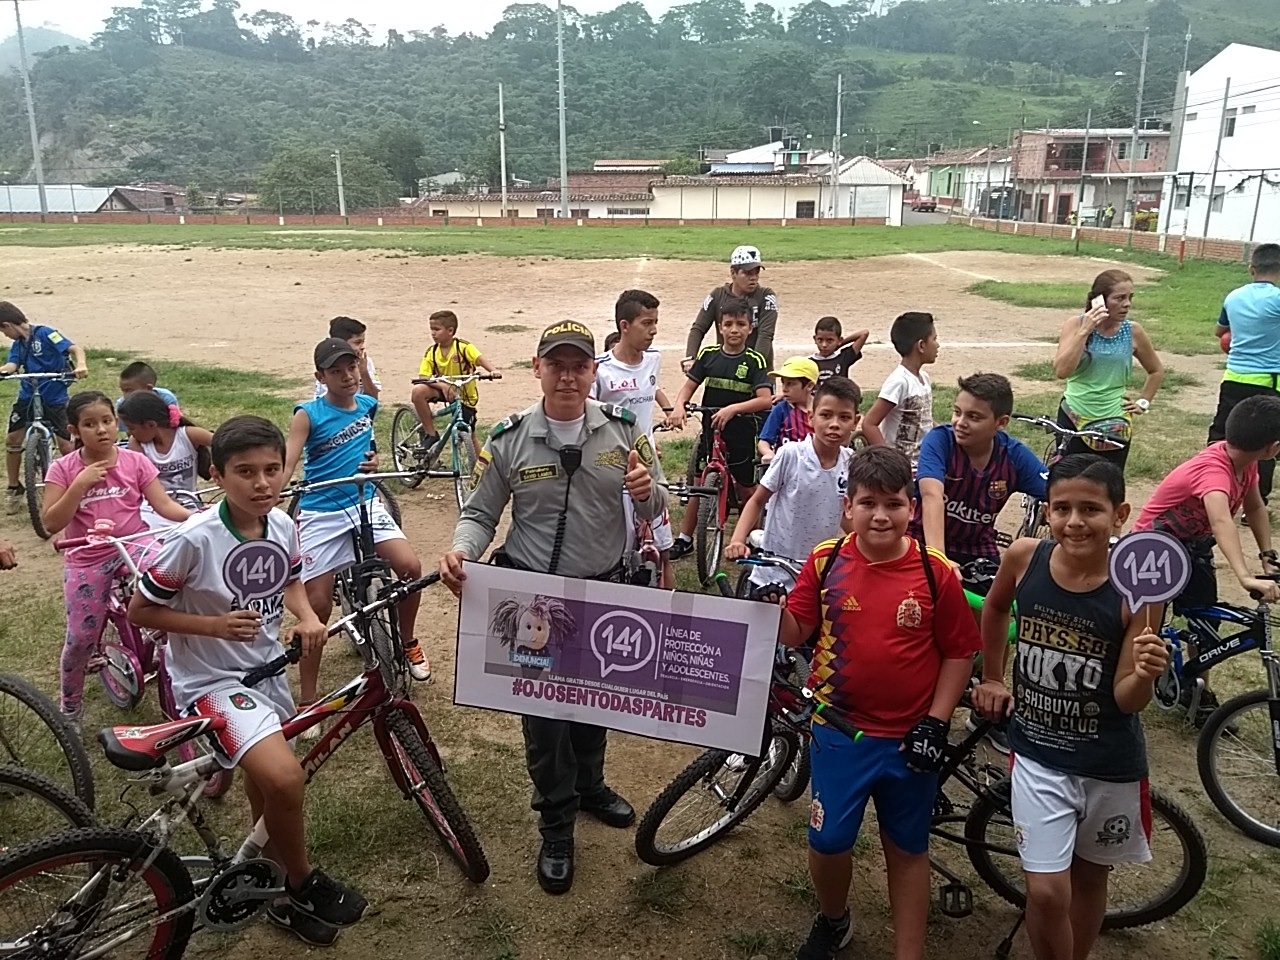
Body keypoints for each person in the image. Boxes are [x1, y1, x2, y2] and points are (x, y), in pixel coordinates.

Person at [439, 320, 665, 896]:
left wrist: (647, 494)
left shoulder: (624, 431)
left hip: (602, 593)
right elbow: (481, 513)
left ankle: (590, 787)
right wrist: (462, 550)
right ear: (537, 368)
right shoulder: (509, 438)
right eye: (556, 365)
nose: (568, 376)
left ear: (594, 371)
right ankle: (557, 826)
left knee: (593, 704)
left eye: (579, 366)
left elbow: (659, 503)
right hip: (533, 600)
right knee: (545, 725)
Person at [130, 415, 368, 946]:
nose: (262, 483)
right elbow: (140, 609)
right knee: (286, 780)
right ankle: (303, 882)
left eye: (272, 469)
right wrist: (212, 626)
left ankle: (275, 895)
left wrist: (305, 616)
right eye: (245, 472)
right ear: (216, 475)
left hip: (265, 672)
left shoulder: (281, 523)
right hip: (210, 682)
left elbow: (290, 580)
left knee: (266, 785)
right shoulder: (193, 539)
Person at [777, 445, 979, 960]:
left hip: (912, 739)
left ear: (912, 508)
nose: (881, 515)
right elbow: (797, 630)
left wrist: (937, 723)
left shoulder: (934, 571)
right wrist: (773, 613)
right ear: (848, 507)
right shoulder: (826, 560)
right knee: (828, 842)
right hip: (839, 730)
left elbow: (960, 652)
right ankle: (834, 920)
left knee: (908, 848)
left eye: (894, 504)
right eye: (868, 503)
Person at [974, 455, 1169, 960]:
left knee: (1089, 878)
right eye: (1062, 508)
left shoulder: (1138, 590)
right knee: (1045, 892)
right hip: (1038, 755)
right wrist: (993, 675)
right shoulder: (1024, 558)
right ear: (1047, 512)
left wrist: (1145, 674)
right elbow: (995, 607)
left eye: (1091, 509)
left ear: (1119, 514)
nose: (1075, 521)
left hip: (1108, 763)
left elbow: (1127, 699)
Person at [285, 338, 429, 710]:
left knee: (411, 568)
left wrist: (373, 461)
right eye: (336, 371)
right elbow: (288, 462)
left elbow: (366, 445)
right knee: (317, 606)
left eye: (351, 368)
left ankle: (408, 641)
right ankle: (307, 700)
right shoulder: (307, 414)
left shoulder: (367, 405)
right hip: (321, 511)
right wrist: (274, 490)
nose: (347, 376)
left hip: (365, 502)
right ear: (321, 376)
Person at [41, 391, 191, 729]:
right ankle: (70, 707)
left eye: (107, 421)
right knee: (81, 637)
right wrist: (78, 486)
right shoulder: (63, 469)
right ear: (74, 430)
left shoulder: (134, 461)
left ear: (117, 423)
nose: (101, 430)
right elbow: (51, 522)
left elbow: (164, 505)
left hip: (134, 543)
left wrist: (196, 518)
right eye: (90, 424)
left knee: (174, 581)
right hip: (87, 555)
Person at [1132, 394, 1280, 724]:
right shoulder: (1214, 472)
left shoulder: (1244, 463)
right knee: (1144, 630)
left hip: (1193, 546)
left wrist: (1268, 557)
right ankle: (1131, 688)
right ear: (1273, 448)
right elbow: (1221, 520)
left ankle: (1197, 693)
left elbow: (1255, 506)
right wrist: (1244, 576)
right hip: (1152, 549)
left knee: (1205, 624)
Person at [726, 375, 861, 598]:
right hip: (774, 571)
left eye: (844, 417)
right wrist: (737, 540)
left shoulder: (851, 463)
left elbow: (844, 513)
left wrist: (868, 547)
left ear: (855, 422)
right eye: (826, 415)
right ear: (811, 417)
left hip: (818, 574)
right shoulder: (791, 455)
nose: (834, 424)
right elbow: (757, 501)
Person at [666, 300, 773, 561]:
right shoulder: (708, 355)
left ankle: (752, 537)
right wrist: (679, 406)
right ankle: (685, 539)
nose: (734, 329)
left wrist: (733, 409)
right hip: (711, 429)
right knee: (699, 485)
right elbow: (689, 387)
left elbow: (765, 400)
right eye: (728, 324)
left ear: (750, 328)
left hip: (741, 432)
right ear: (720, 327)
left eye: (741, 324)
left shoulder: (754, 360)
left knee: (747, 489)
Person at [913, 373, 1048, 575]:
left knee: (997, 592)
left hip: (977, 547)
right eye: (957, 412)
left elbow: (1058, 491)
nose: (960, 422)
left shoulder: (1014, 456)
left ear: (1001, 423)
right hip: (924, 538)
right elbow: (931, 495)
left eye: (973, 417)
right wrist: (939, 560)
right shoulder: (941, 441)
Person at [591, 289, 676, 588]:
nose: (653, 330)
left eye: (656, 322)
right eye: (646, 323)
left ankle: (667, 606)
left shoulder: (654, 359)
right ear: (624, 326)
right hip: (614, 470)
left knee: (662, 550)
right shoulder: (600, 369)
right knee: (620, 551)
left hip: (649, 470)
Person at [1052, 269, 1164, 472]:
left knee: (1109, 481)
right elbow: (1062, 371)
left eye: (1130, 298)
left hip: (1115, 422)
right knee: (1068, 478)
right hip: (1074, 415)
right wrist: (1085, 331)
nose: (1127, 304)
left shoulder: (1133, 331)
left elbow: (1156, 370)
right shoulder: (1075, 325)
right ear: (1099, 300)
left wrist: (1143, 402)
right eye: (1119, 298)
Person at [1209, 242, 1280, 503]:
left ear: (1251, 269)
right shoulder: (1278, 299)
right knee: (1265, 442)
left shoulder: (1233, 297)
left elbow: (1220, 331)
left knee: (1223, 435)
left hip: (1233, 378)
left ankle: (1212, 486)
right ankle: (1256, 502)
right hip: (1268, 382)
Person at [0, 301, 88, 513]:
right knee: (13, 440)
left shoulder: (47, 334)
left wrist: (81, 364)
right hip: (28, 395)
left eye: (3, 331)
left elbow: (74, 348)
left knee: (66, 445)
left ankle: (74, 486)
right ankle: (14, 487)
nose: (5, 336)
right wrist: (4, 370)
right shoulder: (18, 345)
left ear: (7, 325)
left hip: (54, 396)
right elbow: (13, 365)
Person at [118, 390, 214, 531]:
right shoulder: (137, 444)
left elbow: (226, 443)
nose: (129, 433)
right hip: (154, 510)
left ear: (151, 425)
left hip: (189, 505)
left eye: (132, 428)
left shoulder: (188, 435)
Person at [410, 309, 499, 458]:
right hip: (442, 390)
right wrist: (442, 385)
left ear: (450, 331)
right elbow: (424, 376)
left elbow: (479, 359)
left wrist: (493, 371)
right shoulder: (431, 352)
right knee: (418, 391)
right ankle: (430, 434)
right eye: (431, 329)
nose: (433, 333)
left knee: (469, 433)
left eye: (437, 329)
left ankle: (482, 466)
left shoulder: (463, 347)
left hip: (464, 395)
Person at [682, 244, 779, 370]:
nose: (754, 277)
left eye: (756, 272)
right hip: (724, 367)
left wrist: (752, 366)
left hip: (756, 369)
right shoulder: (717, 296)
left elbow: (765, 335)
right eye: (747, 273)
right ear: (733, 273)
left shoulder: (766, 297)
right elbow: (698, 328)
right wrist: (690, 357)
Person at [860, 311, 939, 465]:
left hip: (924, 462)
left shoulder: (924, 378)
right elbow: (869, 424)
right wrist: (890, 461)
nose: (938, 345)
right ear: (921, 345)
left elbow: (923, 420)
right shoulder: (899, 382)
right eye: (934, 339)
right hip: (904, 467)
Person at [758, 357, 817, 465]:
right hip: (786, 468)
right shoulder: (781, 409)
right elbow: (764, 441)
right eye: (783, 383)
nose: (784, 389)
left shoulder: (822, 411)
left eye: (791, 383)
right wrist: (768, 453)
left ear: (809, 386)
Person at [314, 316, 381, 401]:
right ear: (340, 342)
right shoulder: (328, 364)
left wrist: (364, 373)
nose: (362, 347)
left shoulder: (365, 362)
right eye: (357, 342)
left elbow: (374, 398)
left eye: (352, 368)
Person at [810, 316, 869, 383]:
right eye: (820, 340)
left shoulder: (844, 358)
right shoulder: (809, 362)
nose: (824, 345)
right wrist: (836, 344)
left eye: (830, 340)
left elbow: (864, 333)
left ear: (839, 340)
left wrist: (839, 345)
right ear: (815, 339)